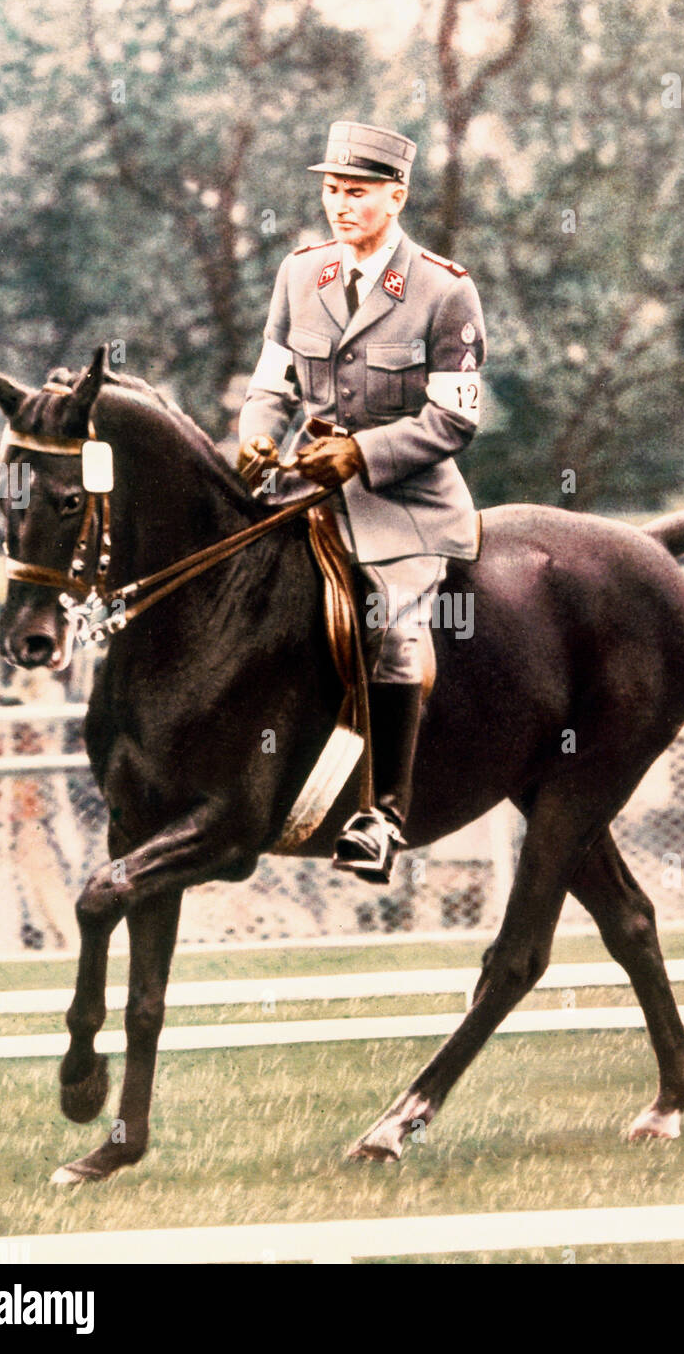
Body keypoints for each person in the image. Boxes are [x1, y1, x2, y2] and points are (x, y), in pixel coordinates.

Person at [238, 121, 486, 882]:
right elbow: (270, 382)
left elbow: (456, 418)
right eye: (330, 191)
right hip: (305, 487)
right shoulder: (299, 274)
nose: (339, 206)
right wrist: (255, 434)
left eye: (356, 193)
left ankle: (383, 814)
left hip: (404, 504)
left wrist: (363, 453)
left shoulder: (445, 290)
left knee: (395, 628)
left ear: (396, 195)